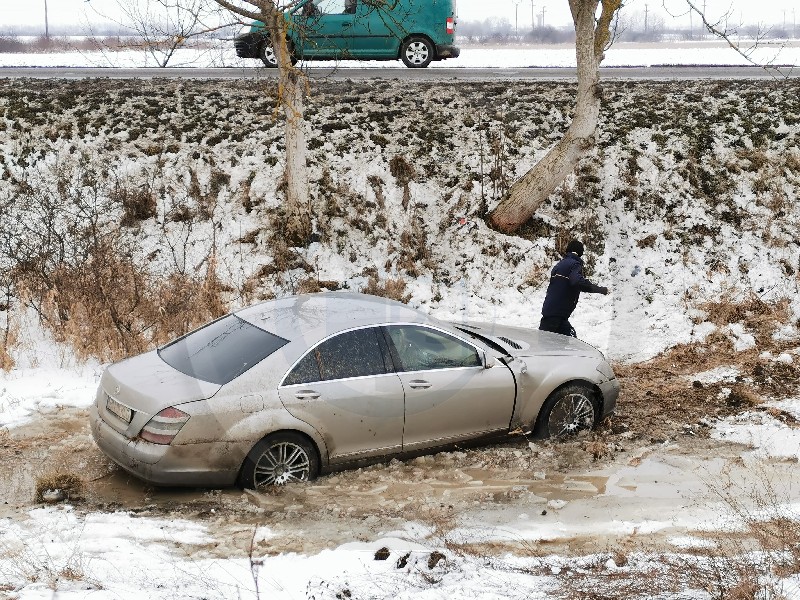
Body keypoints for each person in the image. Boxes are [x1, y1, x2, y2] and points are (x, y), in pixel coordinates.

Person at [539, 240, 609, 338]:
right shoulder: (574, 265)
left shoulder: (559, 265)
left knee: (553, 345)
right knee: (570, 343)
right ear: (580, 252)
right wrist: (600, 290)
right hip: (557, 315)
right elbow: (577, 281)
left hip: (551, 313)